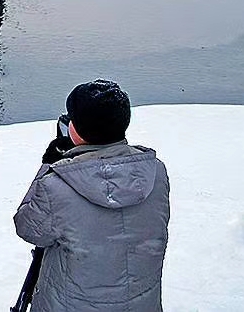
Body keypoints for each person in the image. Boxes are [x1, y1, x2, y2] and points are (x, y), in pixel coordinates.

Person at [13, 79, 170, 312]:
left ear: (76, 130)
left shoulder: (57, 185)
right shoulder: (155, 171)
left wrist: (50, 166)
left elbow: (27, 228)